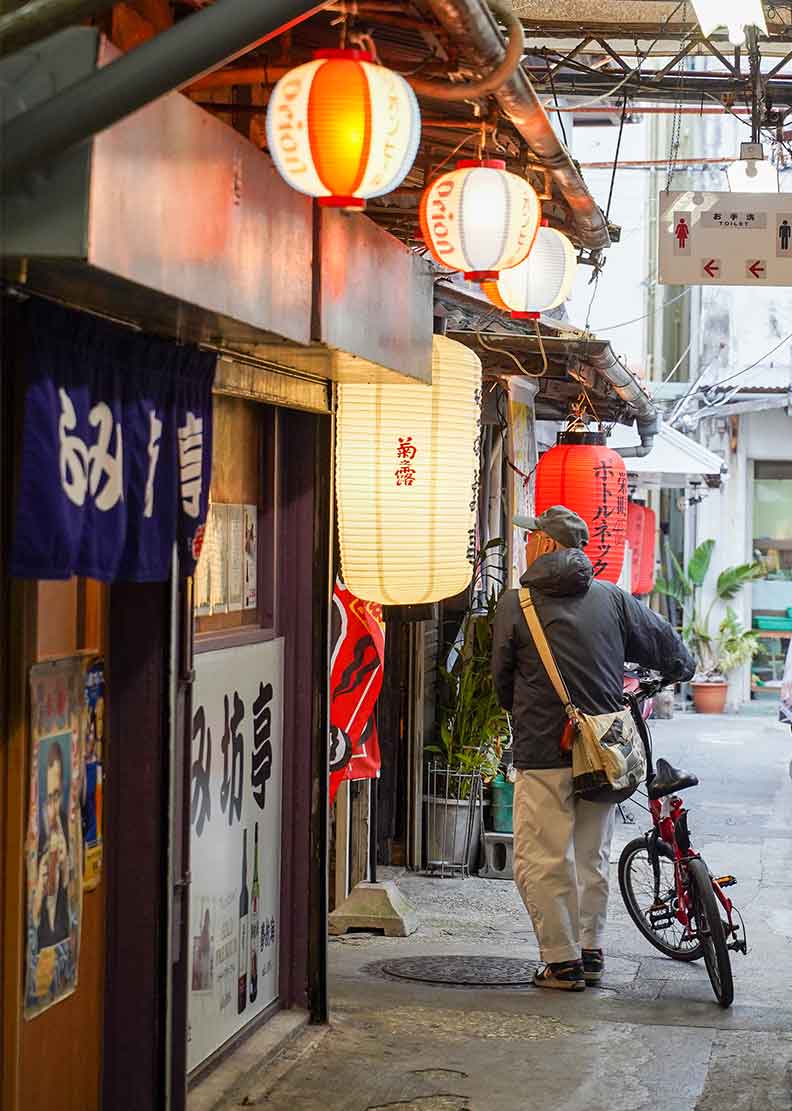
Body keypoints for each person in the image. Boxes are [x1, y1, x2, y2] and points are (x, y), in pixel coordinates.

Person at [492, 506, 695, 991]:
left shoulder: (514, 605)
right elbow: (672, 653)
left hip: (544, 749)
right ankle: (590, 949)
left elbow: (502, 681)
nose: (526, 544)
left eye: (532, 537)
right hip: (605, 750)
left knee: (542, 856)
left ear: (543, 545)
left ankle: (561, 962)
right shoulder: (612, 598)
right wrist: (676, 671)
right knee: (591, 855)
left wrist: (526, 719)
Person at [33, 742, 71, 950]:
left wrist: (66, 869)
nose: (52, 811)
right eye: (47, 799)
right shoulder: (32, 835)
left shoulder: (65, 824)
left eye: (56, 796)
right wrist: (39, 891)